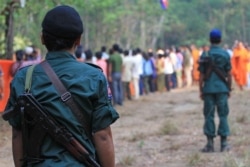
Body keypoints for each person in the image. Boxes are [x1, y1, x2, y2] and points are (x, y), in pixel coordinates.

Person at [4, 5, 119, 167]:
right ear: (78, 40)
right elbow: (102, 135)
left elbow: (18, 134)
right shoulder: (94, 77)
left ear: (43, 38)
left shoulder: (24, 77)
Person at [198, 28, 232, 153]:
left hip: (208, 89)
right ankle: (224, 144)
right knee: (223, 115)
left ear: (209, 40)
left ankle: (210, 144)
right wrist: (229, 88)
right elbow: (229, 73)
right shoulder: (225, 54)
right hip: (222, 89)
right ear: (221, 40)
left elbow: (201, 75)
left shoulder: (205, 54)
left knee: (208, 115)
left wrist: (201, 90)